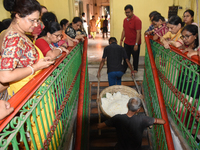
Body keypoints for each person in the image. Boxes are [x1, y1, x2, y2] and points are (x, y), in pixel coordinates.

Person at [0, 0, 54, 99]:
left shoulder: (12, 33)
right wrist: (36, 67)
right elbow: (5, 76)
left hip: (31, 91)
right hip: (28, 94)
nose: (36, 24)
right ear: (18, 16)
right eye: (32, 20)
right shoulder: (14, 37)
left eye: (37, 20)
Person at [98, 97, 166, 150]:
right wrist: (150, 121)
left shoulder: (117, 118)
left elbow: (100, 126)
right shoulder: (142, 119)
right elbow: (163, 121)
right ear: (138, 110)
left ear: (127, 105)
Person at [120, 4, 142, 74]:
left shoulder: (137, 20)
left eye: (128, 12)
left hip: (135, 43)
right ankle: (124, 69)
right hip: (127, 42)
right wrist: (121, 40)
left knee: (135, 57)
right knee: (126, 57)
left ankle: (135, 69)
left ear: (132, 11)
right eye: (126, 12)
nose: (127, 14)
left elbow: (138, 33)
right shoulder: (125, 20)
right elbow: (124, 30)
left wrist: (136, 44)